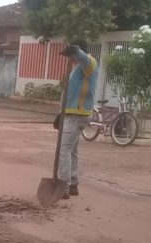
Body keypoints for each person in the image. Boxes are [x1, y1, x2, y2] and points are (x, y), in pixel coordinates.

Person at [58, 42, 97, 199]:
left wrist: (76, 50)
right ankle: (73, 183)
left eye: (71, 56)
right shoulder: (77, 68)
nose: (70, 60)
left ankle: (63, 185)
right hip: (71, 114)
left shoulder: (89, 63)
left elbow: (83, 57)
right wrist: (60, 114)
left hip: (77, 114)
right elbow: (69, 93)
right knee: (72, 151)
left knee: (64, 151)